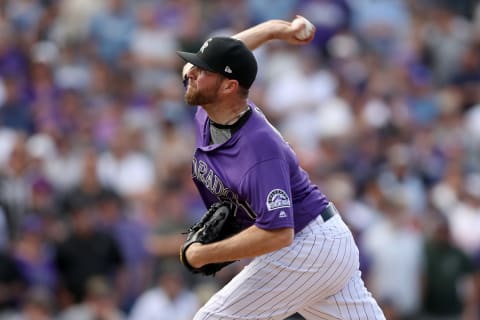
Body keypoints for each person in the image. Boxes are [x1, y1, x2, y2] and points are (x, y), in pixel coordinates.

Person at [176, 17, 386, 320]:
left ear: (229, 86)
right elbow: (227, 53)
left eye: (202, 70)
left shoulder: (260, 148)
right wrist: (275, 30)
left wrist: (202, 254)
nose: (191, 73)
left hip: (306, 245)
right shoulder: (209, 102)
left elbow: (279, 233)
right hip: (325, 244)